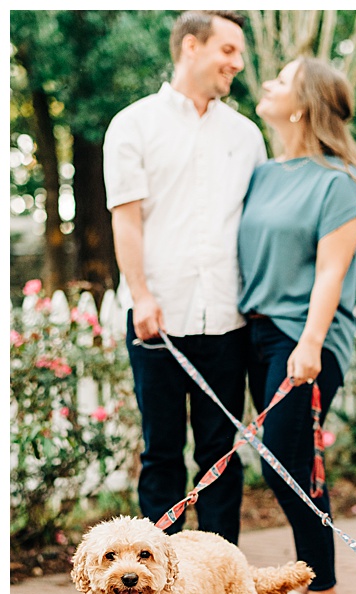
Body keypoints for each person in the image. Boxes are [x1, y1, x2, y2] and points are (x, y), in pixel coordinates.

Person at [104, 10, 266, 544]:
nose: (237, 64)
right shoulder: (133, 125)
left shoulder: (246, 137)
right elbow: (126, 221)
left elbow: (256, 227)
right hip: (158, 319)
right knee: (162, 453)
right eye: (228, 50)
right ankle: (159, 582)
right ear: (191, 47)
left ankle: (222, 587)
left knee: (221, 454)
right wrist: (143, 296)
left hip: (228, 318)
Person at [237, 57, 356, 594]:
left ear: (301, 105)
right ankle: (310, 582)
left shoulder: (338, 184)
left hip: (307, 337)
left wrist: (311, 341)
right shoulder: (263, 173)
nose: (267, 83)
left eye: (281, 80)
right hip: (258, 332)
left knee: (286, 455)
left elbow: (330, 272)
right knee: (288, 458)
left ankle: (320, 590)